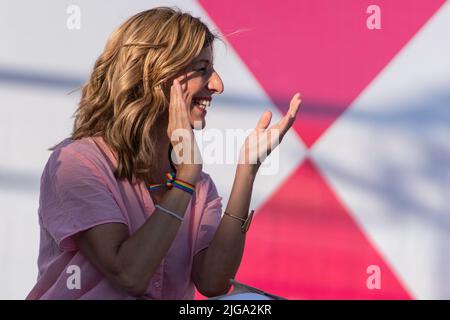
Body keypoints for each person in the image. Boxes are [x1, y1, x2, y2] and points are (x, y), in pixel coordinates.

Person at [27, 7, 301, 300]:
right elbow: (129, 274)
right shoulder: (78, 162)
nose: (217, 85)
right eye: (201, 69)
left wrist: (247, 170)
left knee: (253, 304)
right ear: (155, 75)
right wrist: (184, 181)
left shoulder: (197, 182)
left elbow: (212, 283)